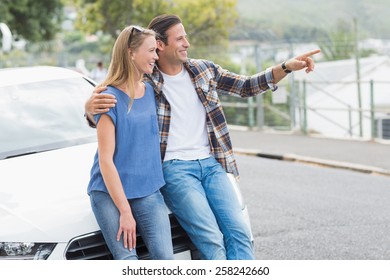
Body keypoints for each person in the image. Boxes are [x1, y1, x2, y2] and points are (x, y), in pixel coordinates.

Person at [85, 14, 320, 260]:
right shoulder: (147, 80)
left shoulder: (203, 70)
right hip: (175, 168)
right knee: (211, 238)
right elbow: (115, 104)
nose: (187, 43)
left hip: (210, 164)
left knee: (239, 231)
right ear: (161, 45)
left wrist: (285, 67)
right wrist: (90, 108)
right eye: (180, 38)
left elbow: (246, 86)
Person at [87, 25, 174, 260]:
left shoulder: (153, 90)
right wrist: (125, 211)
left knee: (166, 260)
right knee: (128, 260)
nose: (156, 57)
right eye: (151, 51)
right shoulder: (108, 98)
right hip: (109, 191)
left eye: (157, 51)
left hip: (147, 188)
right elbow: (105, 161)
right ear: (130, 53)